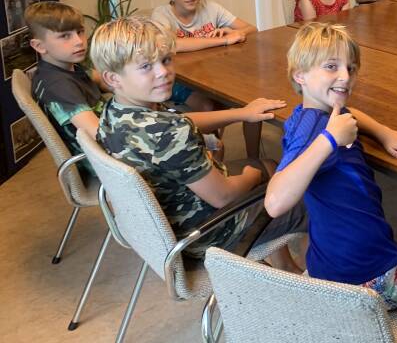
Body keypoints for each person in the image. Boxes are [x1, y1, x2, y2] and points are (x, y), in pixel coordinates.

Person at [264, 22, 397, 310]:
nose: (345, 76)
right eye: (331, 66)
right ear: (299, 75)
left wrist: (384, 133)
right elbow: (275, 203)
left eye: (350, 68)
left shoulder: (308, 115)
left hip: (329, 267)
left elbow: (351, 114)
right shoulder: (317, 132)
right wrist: (330, 139)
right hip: (371, 272)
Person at [91, 17, 306, 264]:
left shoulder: (112, 113)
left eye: (165, 60)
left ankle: (284, 264)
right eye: (146, 66)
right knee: (310, 194)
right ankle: (317, 278)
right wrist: (252, 176)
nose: (163, 72)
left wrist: (241, 113)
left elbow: (178, 122)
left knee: (268, 166)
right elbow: (224, 197)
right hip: (209, 234)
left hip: (169, 227)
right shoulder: (169, 132)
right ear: (113, 78)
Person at [152, 0, 260, 153]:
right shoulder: (161, 15)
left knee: (251, 97)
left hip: (213, 75)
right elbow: (173, 44)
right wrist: (223, 40)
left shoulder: (211, 8)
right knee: (208, 107)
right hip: (177, 80)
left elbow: (252, 29)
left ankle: (253, 156)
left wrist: (232, 32)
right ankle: (213, 152)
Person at [25, 1, 106, 181]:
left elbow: (104, 80)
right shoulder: (57, 86)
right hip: (104, 162)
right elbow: (99, 134)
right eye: (65, 36)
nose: (79, 42)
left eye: (80, 32)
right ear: (39, 46)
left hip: (107, 143)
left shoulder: (66, 66)